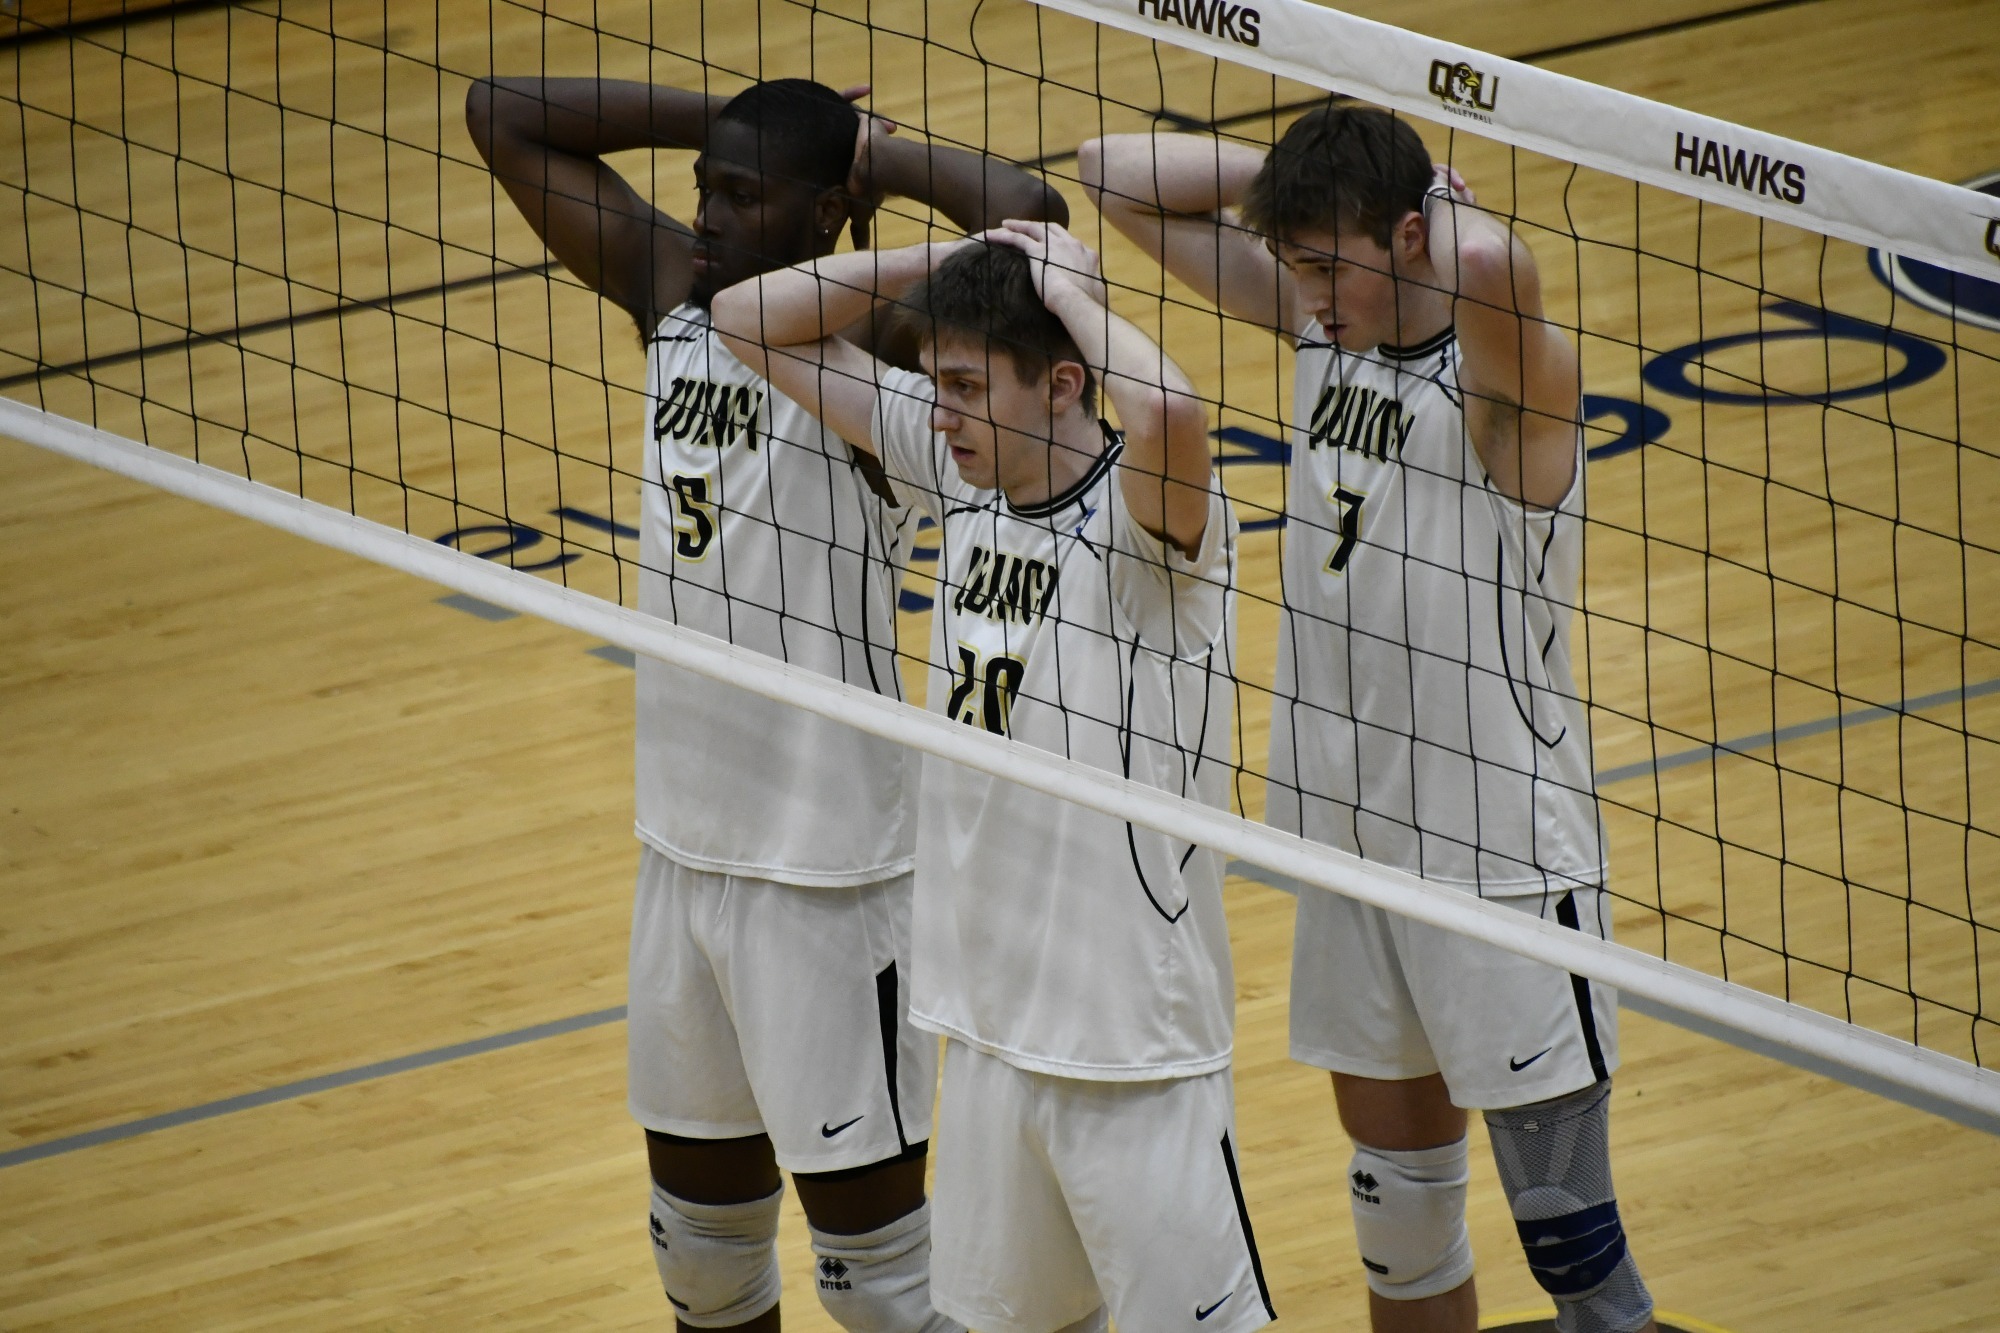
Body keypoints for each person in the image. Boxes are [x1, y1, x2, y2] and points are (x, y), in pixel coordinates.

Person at [466, 72, 1064, 1333]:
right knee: (702, 1265)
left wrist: (871, 159)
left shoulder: (877, 370)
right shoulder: (670, 302)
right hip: (679, 856)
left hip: (825, 881)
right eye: (703, 189)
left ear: (826, 208)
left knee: (881, 1290)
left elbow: (1027, 212)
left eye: (744, 193)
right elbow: (498, 112)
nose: (708, 213)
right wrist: (727, 121)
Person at [1082, 107, 1658, 1333]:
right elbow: (1110, 177)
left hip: (1493, 855)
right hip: (1344, 841)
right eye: (1293, 265)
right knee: (1397, 1226)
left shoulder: (1512, 387)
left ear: (1411, 235)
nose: (1310, 292)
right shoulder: (1319, 325)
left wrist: (1420, 193)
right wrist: (1306, 203)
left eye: (1333, 262)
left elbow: (1497, 268)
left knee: (1575, 1260)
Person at [710, 222, 1271, 1333]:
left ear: (1064, 382)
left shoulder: (1144, 520)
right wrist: (934, 261)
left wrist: (1075, 293)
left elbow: (1165, 413)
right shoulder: (959, 471)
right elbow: (744, 320)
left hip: (1129, 1046)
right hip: (986, 1034)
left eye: (967, 385)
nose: (943, 411)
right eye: (934, 384)